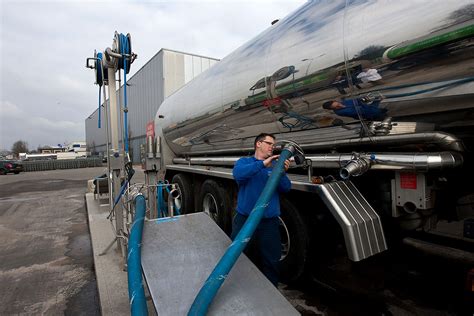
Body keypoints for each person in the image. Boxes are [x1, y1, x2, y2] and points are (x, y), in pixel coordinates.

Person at [231, 133, 291, 286]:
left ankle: (271, 291)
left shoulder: (275, 167)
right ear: (258, 144)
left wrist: (281, 172)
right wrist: (263, 164)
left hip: (269, 223)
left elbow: (286, 188)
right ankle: (242, 289)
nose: (273, 147)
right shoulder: (244, 162)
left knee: (271, 259)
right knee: (240, 256)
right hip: (245, 220)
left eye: (273, 144)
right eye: (269, 143)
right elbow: (238, 175)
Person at [322, 97, 387, 121]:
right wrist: (377, 101)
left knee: (384, 111)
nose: (340, 106)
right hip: (372, 114)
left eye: (338, 104)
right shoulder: (341, 112)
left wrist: (364, 99)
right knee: (383, 119)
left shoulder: (344, 102)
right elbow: (364, 110)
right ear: (332, 109)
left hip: (372, 109)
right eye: (336, 107)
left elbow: (356, 100)